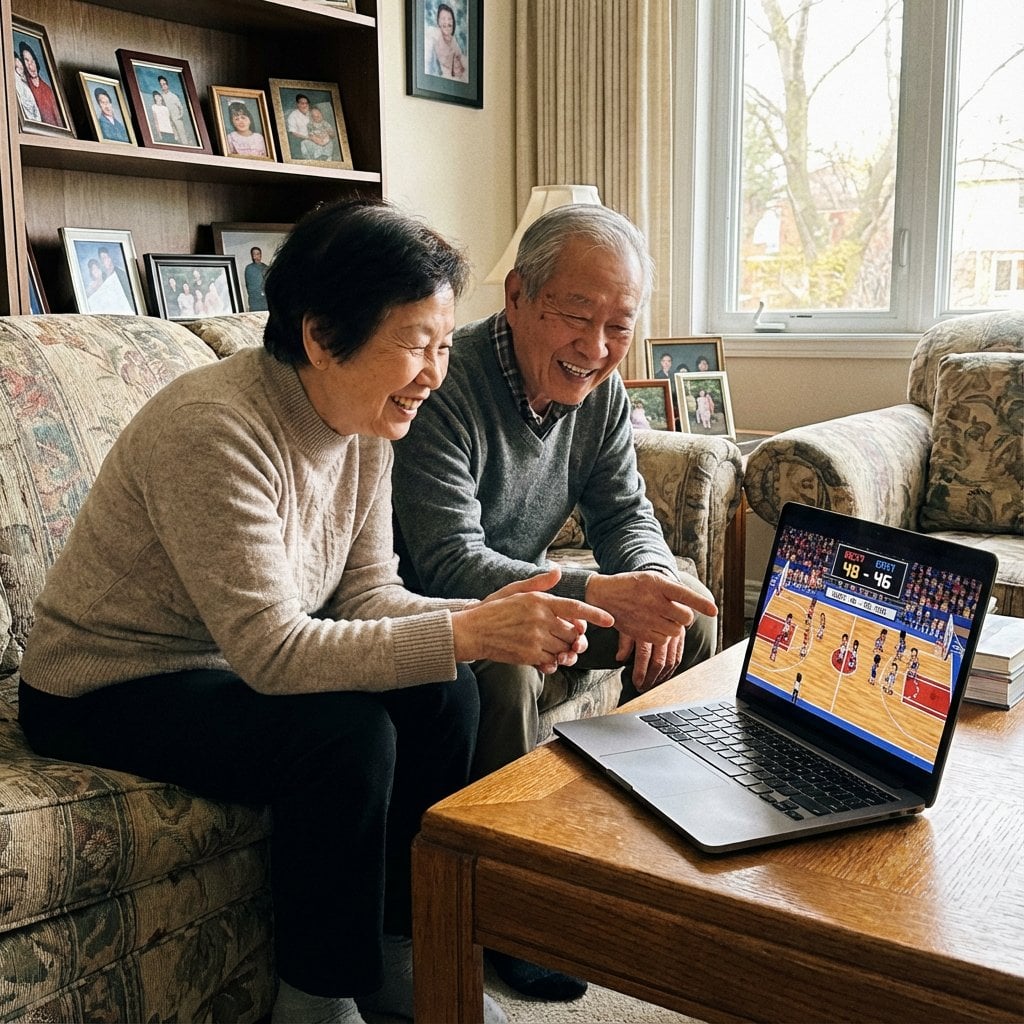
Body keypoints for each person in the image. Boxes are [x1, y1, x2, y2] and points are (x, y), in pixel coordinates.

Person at [18, 198, 615, 1024]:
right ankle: (317, 996)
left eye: (444, 346)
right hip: (107, 684)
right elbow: (272, 653)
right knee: (343, 737)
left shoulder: (369, 421)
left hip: (223, 659)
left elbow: (369, 593)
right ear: (321, 336)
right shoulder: (214, 429)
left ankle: (401, 951)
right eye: (415, 343)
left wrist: (478, 618)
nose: (435, 374)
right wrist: (465, 629)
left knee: (446, 692)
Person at [392, 203, 717, 1002]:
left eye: (620, 325)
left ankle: (639, 860)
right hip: (431, 611)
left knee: (694, 616)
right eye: (578, 316)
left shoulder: (600, 397)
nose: (597, 348)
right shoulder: (447, 381)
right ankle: (513, 910)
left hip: (531, 594)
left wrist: (651, 581)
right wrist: (603, 593)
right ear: (517, 297)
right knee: (505, 669)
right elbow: (445, 559)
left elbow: (623, 513)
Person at [18, 41, 61, 127]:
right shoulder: (24, 85)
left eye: (32, 61)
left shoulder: (48, 90)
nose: (31, 66)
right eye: (26, 61)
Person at [429, 3, 467, 81]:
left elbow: (461, 61)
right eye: (443, 18)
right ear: (438, 22)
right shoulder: (435, 35)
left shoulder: (453, 40)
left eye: (450, 19)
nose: (447, 22)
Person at [158, 75, 191, 145]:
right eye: (161, 85)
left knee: (182, 136)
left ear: (167, 84)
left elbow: (181, 107)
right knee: (175, 138)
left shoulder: (173, 96)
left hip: (177, 119)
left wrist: (179, 117)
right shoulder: (161, 97)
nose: (163, 86)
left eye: (164, 84)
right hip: (168, 121)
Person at [13, 52, 41, 123]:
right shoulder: (17, 82)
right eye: (16, 67)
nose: (20, 69)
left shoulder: (28, 84)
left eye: (21, 66)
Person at [285, 93, 312, 158]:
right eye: (302, 103)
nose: (305, 105)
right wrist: (308, 138)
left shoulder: (311, 113)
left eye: (306, 103)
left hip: (315, 137)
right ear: (297, 104)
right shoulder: (293, 116)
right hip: (303, 140)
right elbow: (293, 133)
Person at [245, 246, 270, 311]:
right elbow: (248, 284)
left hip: (265, 300)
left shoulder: (266, 268)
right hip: (254, 300)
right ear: (252, 255)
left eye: (258, 254)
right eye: (254, 254)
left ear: (261, 255)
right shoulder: (249, 268)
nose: (256, 256)